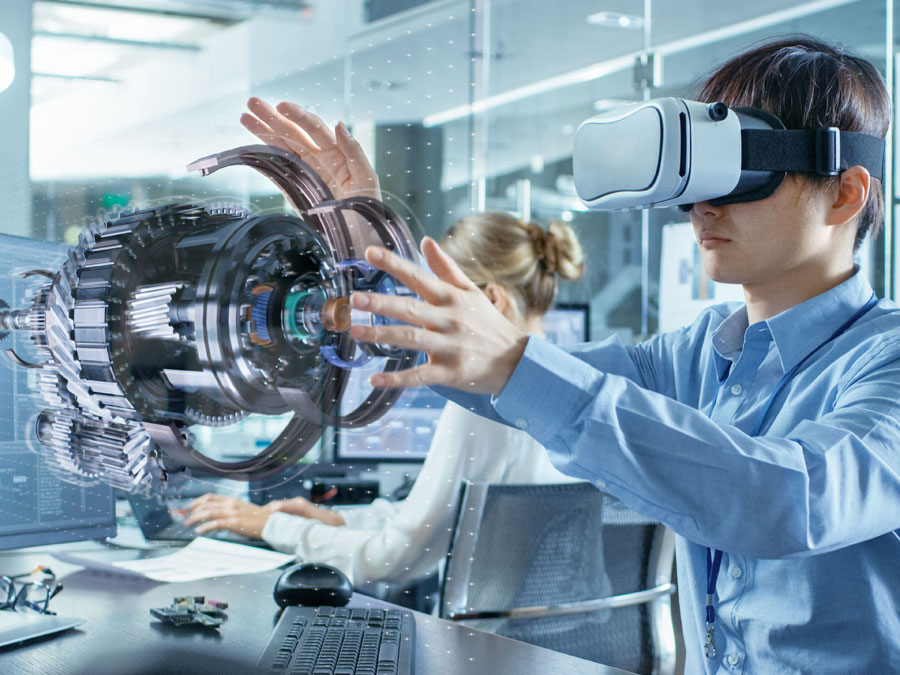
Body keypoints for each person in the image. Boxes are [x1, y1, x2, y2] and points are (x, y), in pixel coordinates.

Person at [246, 38, 899, 672]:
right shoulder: (699, 356)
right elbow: (489, 369)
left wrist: (514, 362)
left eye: (739, 172)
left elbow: (791, 498)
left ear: (845, 193)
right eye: (699, 174)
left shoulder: (887, 359)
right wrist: (371, 250)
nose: (702, 206)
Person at [184, 210, 585, 587]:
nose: (430, 320)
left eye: (440, 302)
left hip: (486, 639)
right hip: (552, 634)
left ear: (492, 300)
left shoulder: (486, 404)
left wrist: (268, 526)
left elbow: (394, 559)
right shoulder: (572, 387)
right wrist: (335, 519)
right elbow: (436, 521)